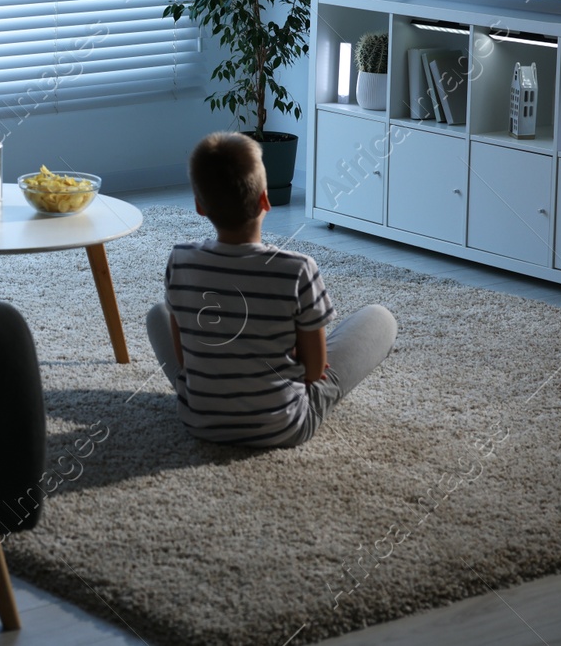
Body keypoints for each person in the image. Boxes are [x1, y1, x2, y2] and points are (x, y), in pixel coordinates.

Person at [145, 132, 396, 448]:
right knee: (381, 318)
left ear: (199, 206)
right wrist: (288, 354)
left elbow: (184, 361)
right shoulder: (297, 269)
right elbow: (315, 369)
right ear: (265, 200)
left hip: (201, 420)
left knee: (158, 312)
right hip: (284, 425)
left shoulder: (180, 260)